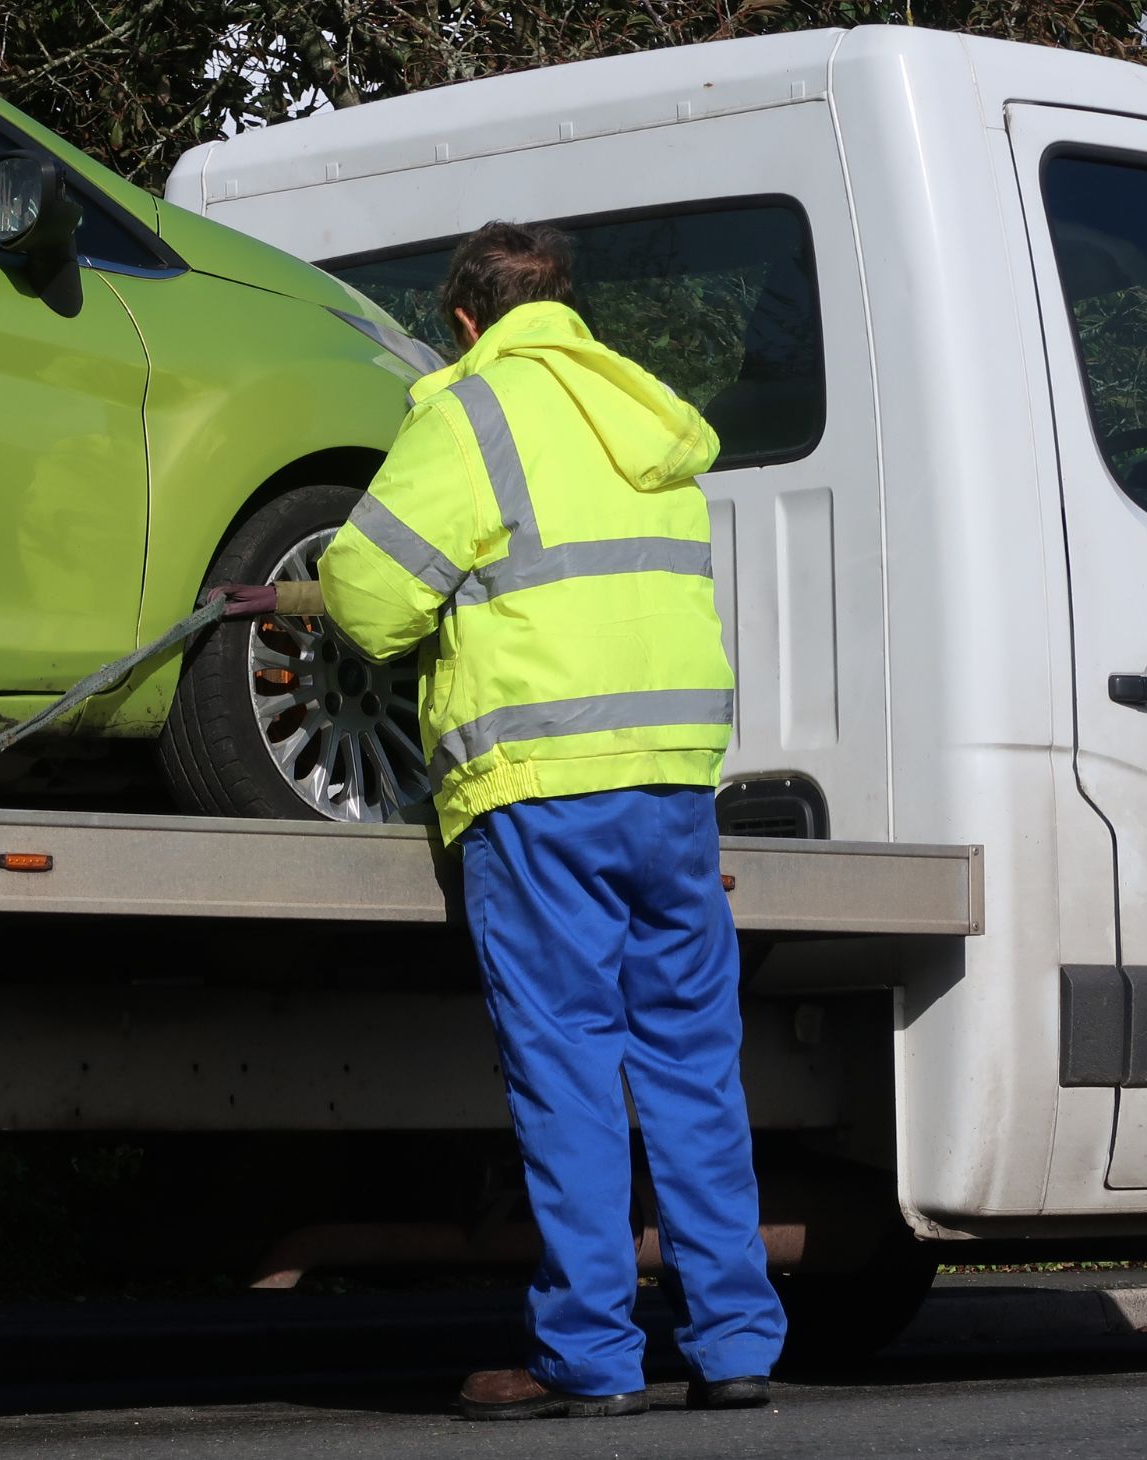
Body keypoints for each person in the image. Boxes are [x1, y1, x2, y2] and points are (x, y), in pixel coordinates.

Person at [321, 221, 784, 1417]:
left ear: (465, 319)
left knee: (569, 1067)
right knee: (691, 1062)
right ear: (563, 308)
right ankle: (734, 1343)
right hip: (673, 786)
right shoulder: (645, 416)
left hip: (540, 790)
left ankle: (589, 1355)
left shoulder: (471, 413)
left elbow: (369, 600)